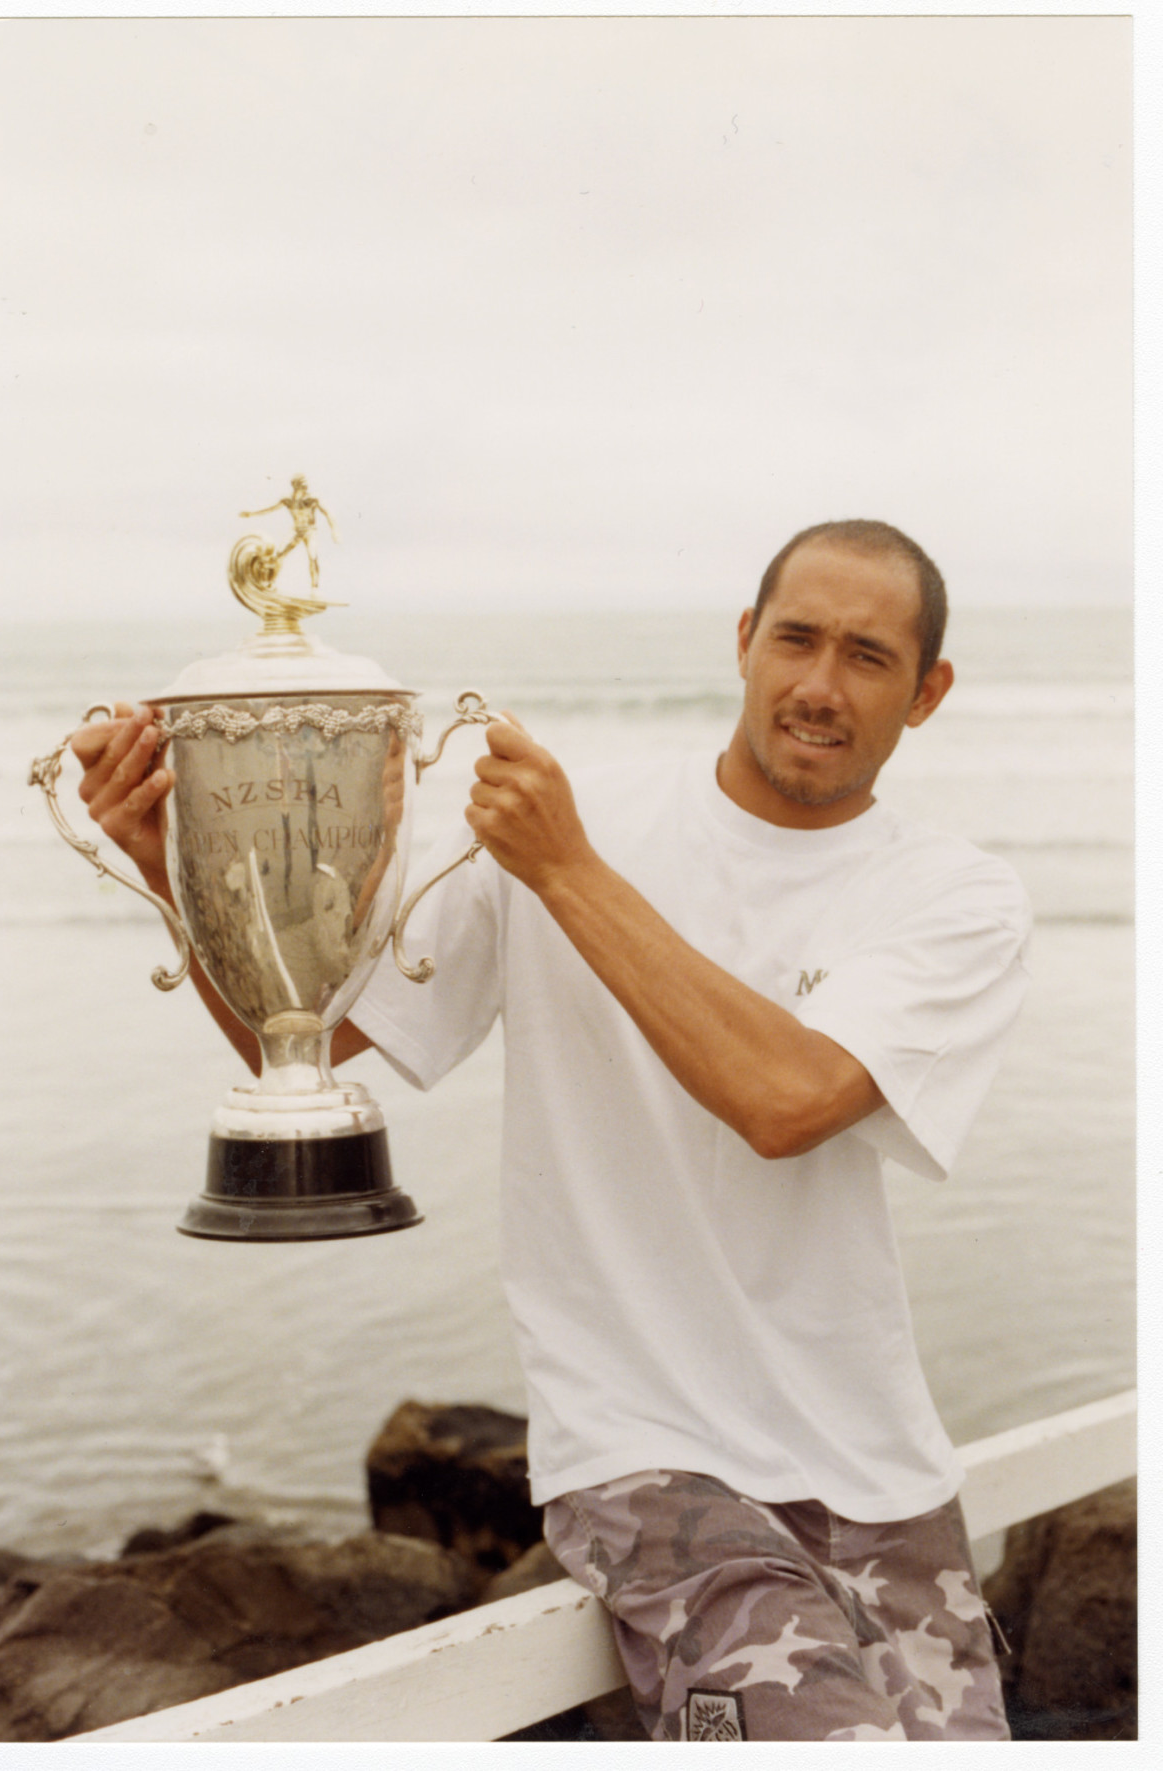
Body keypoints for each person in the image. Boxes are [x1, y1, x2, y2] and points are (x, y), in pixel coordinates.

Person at [72, 519, 1030, 1741]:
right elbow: (319, 1035)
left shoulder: (955, 896)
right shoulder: (569, 831)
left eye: (867, 656)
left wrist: (568, 870)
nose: (818, 686)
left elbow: (785, 1100)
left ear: (927, 691)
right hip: (650, 1459)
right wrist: (180, 871)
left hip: (881, 1464)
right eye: (795, 638)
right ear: (743, 641)